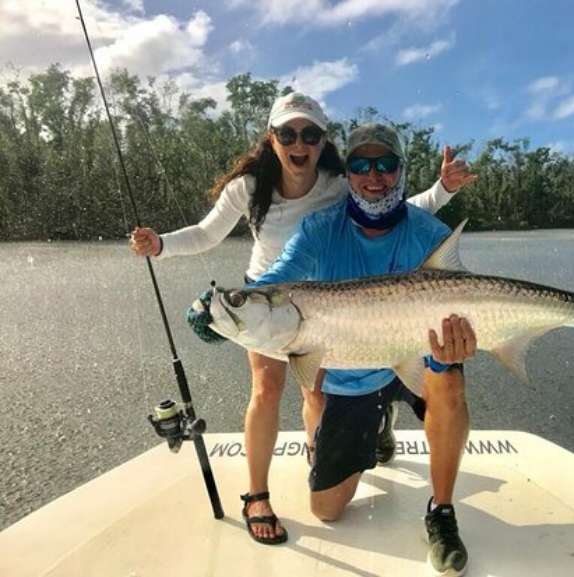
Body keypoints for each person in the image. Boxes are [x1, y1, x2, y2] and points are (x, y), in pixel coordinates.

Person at [130, 92, 476, 545]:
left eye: (310, 134)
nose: (299, 143)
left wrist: (444, 189)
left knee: (417, 378)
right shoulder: (258, 192)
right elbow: (211, 234)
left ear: (322, 141)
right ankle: (267, 488)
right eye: (288, 133)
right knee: (276, 402)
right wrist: (190, 275)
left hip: (336, 303)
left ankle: (431, 500)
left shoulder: (343, 186)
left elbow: (404, 203)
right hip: (273, 290)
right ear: (271, 137)